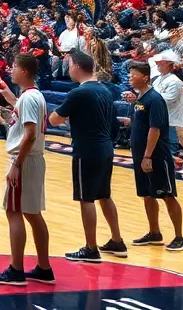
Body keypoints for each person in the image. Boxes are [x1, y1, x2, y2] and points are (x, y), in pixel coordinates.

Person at [47, 50, 126, 262]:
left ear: (76, 67)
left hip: (87, 148)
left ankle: (91, 248)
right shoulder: (105, 90)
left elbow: (54, 119)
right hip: (106, 147)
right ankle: (117, 241)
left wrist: (60, 117)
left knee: (86, 198)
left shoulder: (78, 93)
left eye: (69, 64)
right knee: (104, 194)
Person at [0, 53, 53, 287]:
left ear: (24, 71)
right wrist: (10, 100)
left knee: (14, 212)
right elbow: (27, 118)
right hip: (35, 160)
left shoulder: (27, 99)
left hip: (24, 160)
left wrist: (16, 165)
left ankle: (16, 269)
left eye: (14, 66)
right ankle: (44, 268)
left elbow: (31, 134)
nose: (11, 70)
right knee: (33, 214)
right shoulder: (33, 96)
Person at [124, 61, 183, 251]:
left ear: (144, 77)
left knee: (167, 194)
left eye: (133, 74)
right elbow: (143, 122)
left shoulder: (155, 99)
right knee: (147, 195)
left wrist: (147, 156)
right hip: (140, 155)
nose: (129, 77)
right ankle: (154, 232)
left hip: (156, 156)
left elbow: (155, 129)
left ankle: (179, 237)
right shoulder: (140, 99)